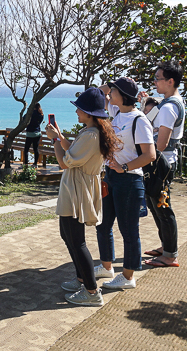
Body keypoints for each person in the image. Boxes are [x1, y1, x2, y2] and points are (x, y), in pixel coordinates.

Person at [46, 87, 119, 307]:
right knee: (67, 235)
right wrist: (60, 137)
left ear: (89, 112)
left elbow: (64, 161)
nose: (76, 112)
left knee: (76, 240)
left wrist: (55, 141)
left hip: (77, 189)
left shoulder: (91, 135)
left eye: (79, 109)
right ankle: (82, 279)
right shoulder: (91, 131)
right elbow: (73, 153)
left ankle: (91, 291)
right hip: (75, 187)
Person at [95, 77, 155, 290]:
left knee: (128, 230)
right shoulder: (117, 113)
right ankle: (106, 266)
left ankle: (128, 277)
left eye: (114, 91)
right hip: (111, 178)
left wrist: (125, 167)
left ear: (123, 95)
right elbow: (101, 91)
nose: (110, 94)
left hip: (129, 181)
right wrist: (113, 85)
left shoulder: (139, 120)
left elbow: (150, 154)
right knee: (103, 224)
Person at [138, 60, 186, 268]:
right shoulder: (170, 103)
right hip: (162, 162)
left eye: (158, 79)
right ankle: (166, 247)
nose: (155, 83)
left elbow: (161, 143)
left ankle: (170, 255)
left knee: (162, 208)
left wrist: (142, 155)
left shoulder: (168, 108)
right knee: (156, 205)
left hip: (161, 164)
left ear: (170, 81)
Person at [23, 103, 44, 168]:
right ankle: (35, 164)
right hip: (37, 133)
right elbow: (39, 122)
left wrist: (28, 111)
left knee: (26, 149)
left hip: (30, 133)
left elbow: (24, 118)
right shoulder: (41, 114)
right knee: (36, 149)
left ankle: (25, 164)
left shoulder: (30, 114)